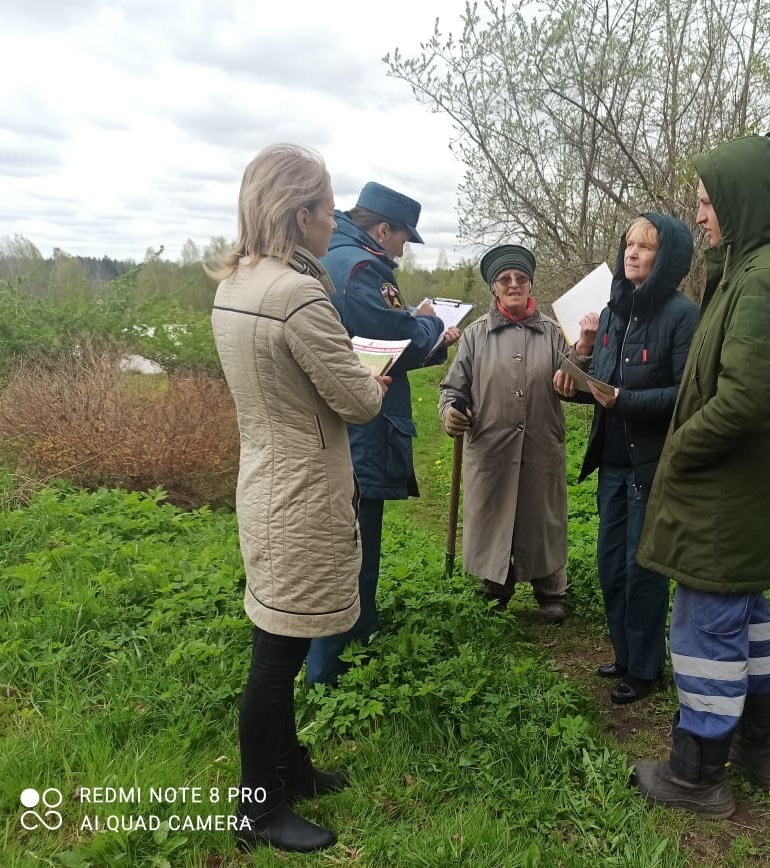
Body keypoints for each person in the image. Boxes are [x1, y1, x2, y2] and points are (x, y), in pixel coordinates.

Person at [631, 133, 770, 818]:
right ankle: (761, 748)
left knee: (706, 631)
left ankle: (696, 774)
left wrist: (679, 449)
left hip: (724, 498)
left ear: (739, 203)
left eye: (709, 203)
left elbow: (743, 402)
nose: (701, 215)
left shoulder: (766, 281)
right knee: (748, 621)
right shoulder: (755, 268)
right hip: (741, 498)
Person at [210, 144, 389, 851]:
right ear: (302, 214)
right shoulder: (296, 295)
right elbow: (356, 400)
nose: (334, 217)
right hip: (304, 490)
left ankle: (292, 768)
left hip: (265, 477)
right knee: (276, 657)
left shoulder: (237, 284)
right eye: (327, 206)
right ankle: (259, 809)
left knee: (276, 640)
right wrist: (372, 377)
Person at [305, 182, 460, 685]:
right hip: (361, 425)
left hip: (335, 419)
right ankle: (331, 666)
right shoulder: (363, 268)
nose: (401, 250)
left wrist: (413, 326)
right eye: (401, 240)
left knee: (344, 539)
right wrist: (431, 327)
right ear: (383, 229)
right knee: (353, 544)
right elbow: (390, 336)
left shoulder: (332, 257)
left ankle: (354, 639)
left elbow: (378, 329)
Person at [554, 214, 698, 705]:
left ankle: (645, 668)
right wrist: (579, 370)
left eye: (645, 247)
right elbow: (604, 388)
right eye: (628, 244)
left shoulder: (682, 315)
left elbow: (686, 396)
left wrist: (624, 399)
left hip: (650, 465)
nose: (632, 253)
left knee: (643, 570)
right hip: (611, 463)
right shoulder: (614, 310)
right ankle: (624, 652)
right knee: (611, 564)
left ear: (667, 258)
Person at [439, 244, 597, 622]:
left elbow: (576, 379)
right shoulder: (475, 336)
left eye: (521, 278)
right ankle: (496, 584)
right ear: (494, 287)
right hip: (490, 447)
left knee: (542, 517)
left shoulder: (551, 333)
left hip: (541, 443)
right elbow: (452, 389)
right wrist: (450, 414)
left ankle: (551, 588)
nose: (514, 284)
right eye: (505, 279)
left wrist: (584, 349)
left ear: (529, 285)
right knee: (494, 515)